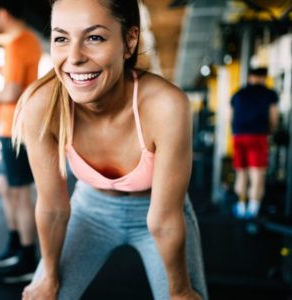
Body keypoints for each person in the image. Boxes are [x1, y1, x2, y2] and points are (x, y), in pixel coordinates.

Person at [13, 0, 208, 299]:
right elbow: (52, 207)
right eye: (61, 38)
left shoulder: (166, 105)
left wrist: (180, 291)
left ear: (129, 41)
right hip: (90, 211)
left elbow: (163, 219)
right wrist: (48, 277)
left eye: (94, 37)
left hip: (158, 212)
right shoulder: (41, 105)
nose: (74, 57)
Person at [0, 0, 42, 283]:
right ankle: (16, 244)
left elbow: (12, 92)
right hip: (12, 129)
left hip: (17, 130)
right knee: (6, 187)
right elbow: (16, 80)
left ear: (3, 13)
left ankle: (28, 258)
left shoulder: (17, 44)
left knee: (21, 193)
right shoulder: (26, 42)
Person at [230, 67, 279, 219]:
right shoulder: (269, 93)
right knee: (257, 174)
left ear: (250, 76)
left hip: (239, 137)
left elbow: (230, 117)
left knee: (241, 173)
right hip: (258, 137)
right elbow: (274, 118)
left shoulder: (238, 93)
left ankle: (241, 205)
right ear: (263, 77)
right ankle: (253, 209)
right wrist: (270, 132)